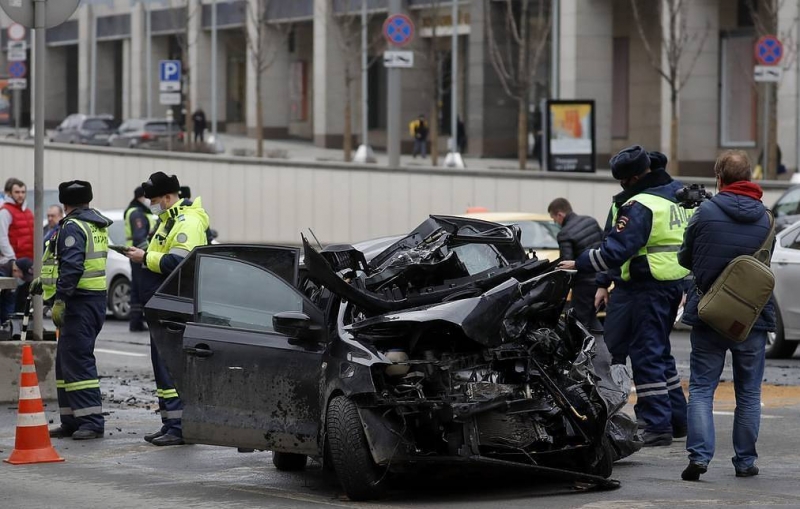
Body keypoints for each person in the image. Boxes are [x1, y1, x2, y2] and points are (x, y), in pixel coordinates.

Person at [557, 145, 688, 447]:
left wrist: (581, 263)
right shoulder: (675, 195)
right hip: (668, 283)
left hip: (645, 286)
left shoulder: (639, 204)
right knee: (658, 353)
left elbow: (616, 249)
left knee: (645, 355)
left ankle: (655, 424)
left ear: (628, 179)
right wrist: (605, 282)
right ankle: (677, 419)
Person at [677, 150, 775, 481]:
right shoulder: (766, 218)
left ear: (719, 177)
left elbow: (685, 258)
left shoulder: (704, 213)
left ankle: (700, 458)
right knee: (749, 393)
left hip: (709, 312)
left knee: (703, 388)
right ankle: (745, 462)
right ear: (749, 177)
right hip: (751, 317)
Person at [124, 172, 210, 447]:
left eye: (155, 200)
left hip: (176, 304)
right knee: (162, 367)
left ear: (169, 197)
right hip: (162, 304)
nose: (152, 204)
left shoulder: (188, 222)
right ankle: (170, 423)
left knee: (171, 367)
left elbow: (178, 262)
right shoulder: (167, 221)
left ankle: (180, 427)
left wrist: (144, 257)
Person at [30, 180, 111, 440]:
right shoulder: (95, 224)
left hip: (79, 302)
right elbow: (68, 264)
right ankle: (72, 420)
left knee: (78, 362)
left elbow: (73, 266)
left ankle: (91, 421)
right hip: (90, 300)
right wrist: (45, 283)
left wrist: (61, 298)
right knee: (66, 363)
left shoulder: (73, 226)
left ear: (65, 204)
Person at [547, 197, 604, 331]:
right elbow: (605, 247)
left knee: (579, 322)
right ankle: (603, 348)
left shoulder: (564, 233)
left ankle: (586, 351)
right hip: (601, 279)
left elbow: (567, 264)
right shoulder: (591, 221)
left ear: (560, 214)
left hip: (583, 284)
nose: (556, 222)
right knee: (591, 317)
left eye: (554, 219)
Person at [124, 186, 155, 332]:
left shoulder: (137, 210)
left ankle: (135, 322)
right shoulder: (137, 213)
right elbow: (139, 236)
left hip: (135, 254)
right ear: (140, 197)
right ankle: (138, 321)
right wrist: (146, 254)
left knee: (137, 288)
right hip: (139, 254)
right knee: (141, 288)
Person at [0, 178, 34, 264]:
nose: (20, 195)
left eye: (23, 192)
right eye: (17, 192)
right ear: (9, 193)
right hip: (15, 262)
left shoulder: (27, 211)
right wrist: (12, 259)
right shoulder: (5, 212)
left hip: (29, 259)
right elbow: (2, 238)